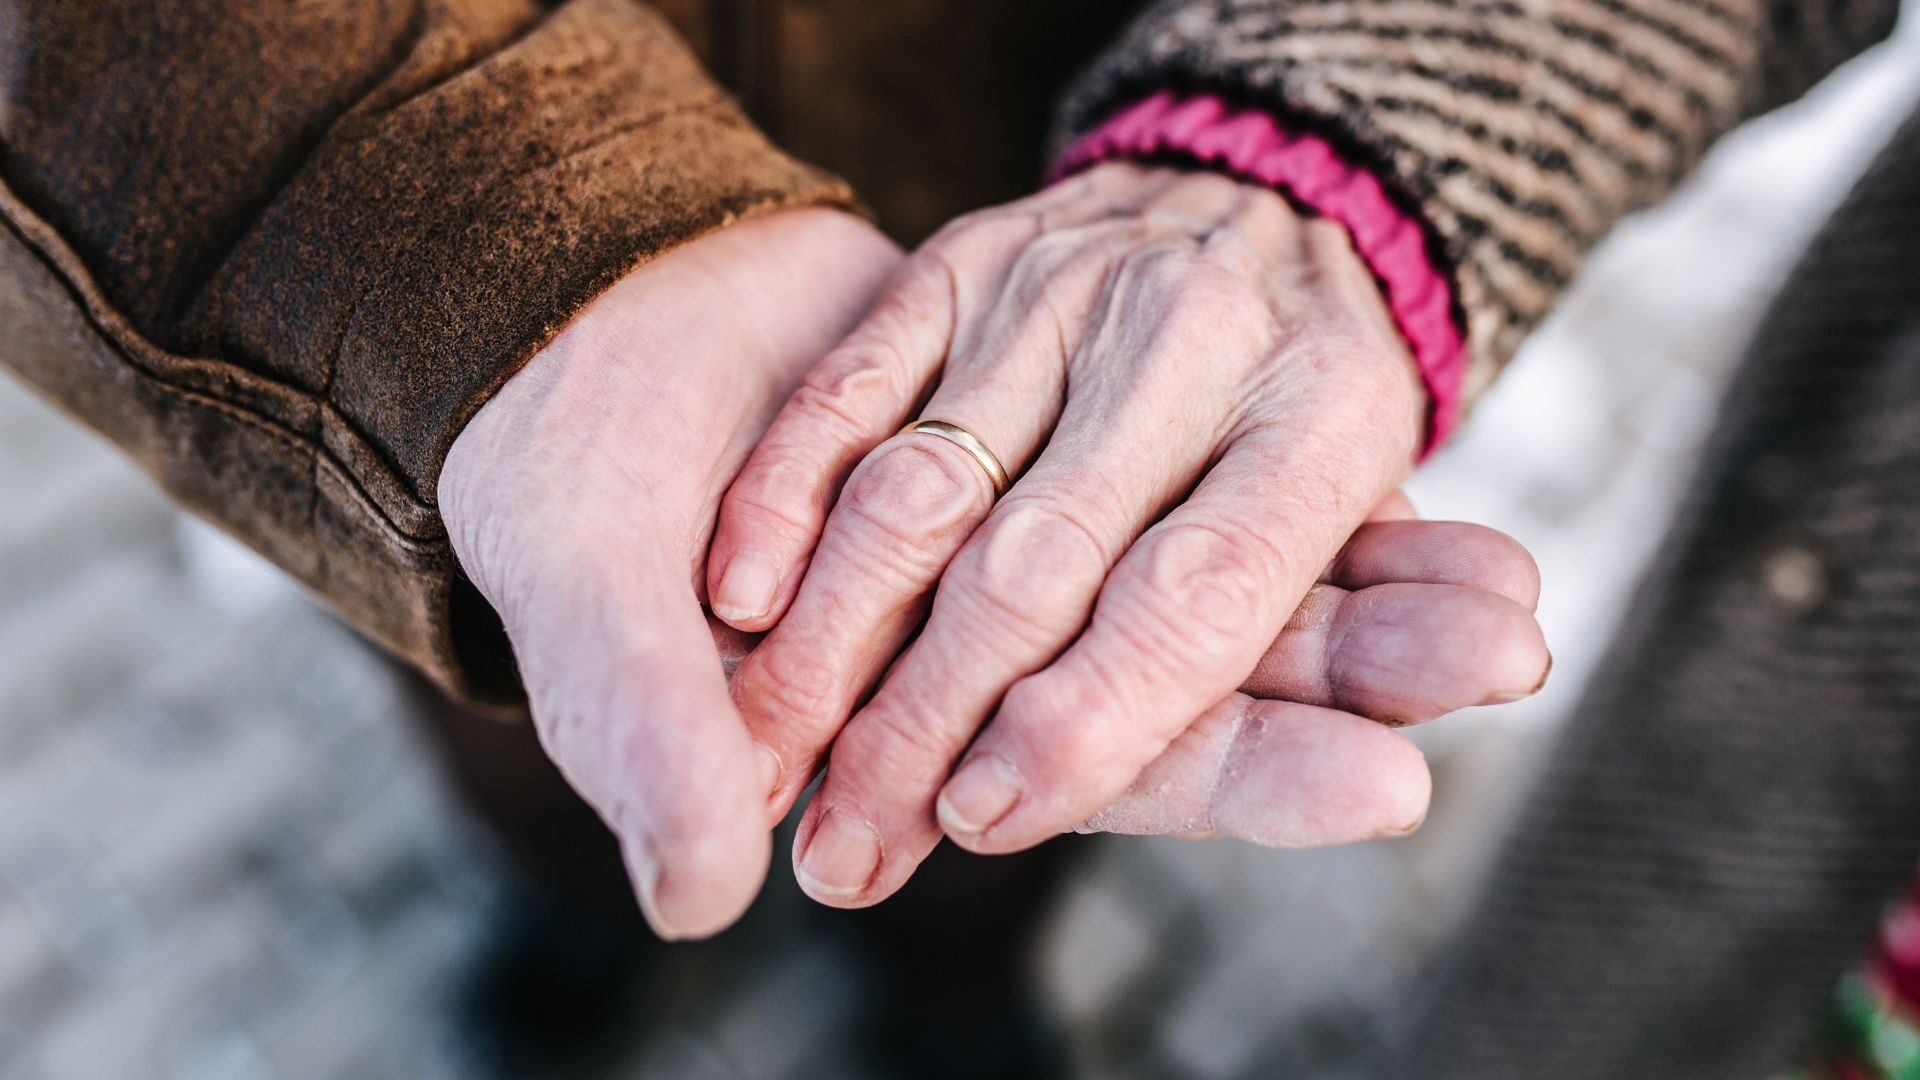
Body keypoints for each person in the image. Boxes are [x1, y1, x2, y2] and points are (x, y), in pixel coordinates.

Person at [2, 1, 1909, 1077]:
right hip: (410, 333)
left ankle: (951, 979)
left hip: (1067, 101)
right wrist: (457, 220)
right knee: (530, 662)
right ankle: (566, 903)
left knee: (1038, 708)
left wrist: (1336, 134)